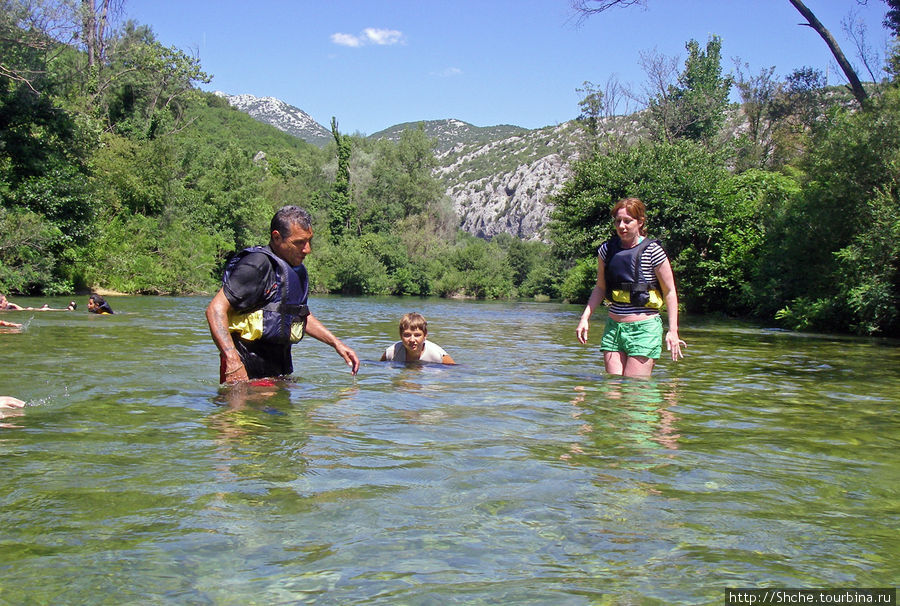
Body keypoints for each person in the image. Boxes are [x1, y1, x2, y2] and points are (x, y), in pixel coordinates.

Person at [206, 205, 360, 384]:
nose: (307, 249)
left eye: (309, 241)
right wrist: (233, 361)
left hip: (278, 372)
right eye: (299, 242)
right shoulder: (257, 264)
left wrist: (336, 344)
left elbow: (298, 315)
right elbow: (215, 309)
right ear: (277, 237)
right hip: (246, 371)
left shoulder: (294, 271)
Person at [576, 197, 685, 378]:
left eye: (628, 221)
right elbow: (600, 288)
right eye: (618, 221)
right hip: (614, 328)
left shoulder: (653, 251)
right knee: (613, 390)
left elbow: (670, 291)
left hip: (644, 328)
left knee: (635, 394)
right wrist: (585, 317)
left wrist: (673, 331)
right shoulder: (606, 250)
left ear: (640, 222)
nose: (622, 226)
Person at [381, 312, 455, 364]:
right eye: (407, 335)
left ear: (425, 335)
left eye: (417, 335)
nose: (412, 340)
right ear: (400, 335)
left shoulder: (438, 355)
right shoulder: (391, 352)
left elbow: (454, 371)